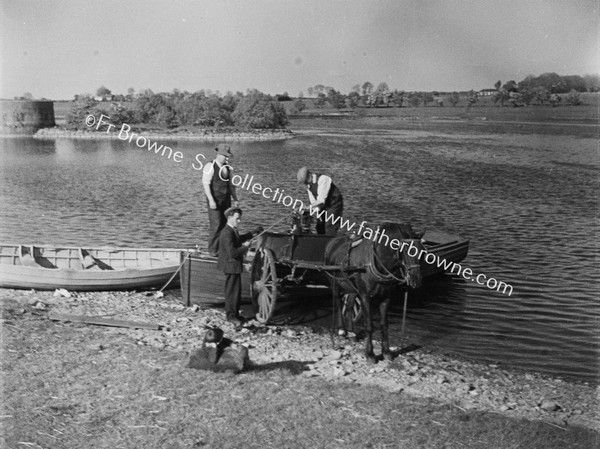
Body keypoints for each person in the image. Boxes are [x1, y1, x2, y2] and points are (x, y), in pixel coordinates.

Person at [217, 207, 262, 327]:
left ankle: (235, 314)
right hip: (230, 266)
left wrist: (252, 233)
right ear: (230, 217)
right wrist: (246, 247)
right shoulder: (227, 232)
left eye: (240, 219)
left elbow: (238, 240)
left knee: (236, 291)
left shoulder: (232, 230)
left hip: (233, 266)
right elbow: (233, 253)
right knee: (232, 292)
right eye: (237, 219)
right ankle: (231, 316)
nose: (239, 221)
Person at [203, 144, 239, 257]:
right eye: (225, 156)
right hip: (215, 200)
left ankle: (223, 249)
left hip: (226, 200)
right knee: (216, 224)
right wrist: (211, 200)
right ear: (219, 154)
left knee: (225, 225)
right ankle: (213, 251)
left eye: (228, 156)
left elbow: (231, 185)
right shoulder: (210, 166)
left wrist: (235, 199)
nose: (227, 159)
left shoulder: (227, 168)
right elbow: (206, 184)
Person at [297, 167, 344, 236]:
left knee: (329, 226)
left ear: (309, 175)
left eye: (306, 181)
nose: (306, 184)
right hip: (324, 205)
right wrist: (305, 209)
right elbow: (314, 203)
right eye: (304, 183)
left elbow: (321, 200)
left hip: (334, 203)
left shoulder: (323, 179)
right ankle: (321, 242)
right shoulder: (309, 186)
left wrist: (308, 207)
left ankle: (331, 243)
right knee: (319, 226)